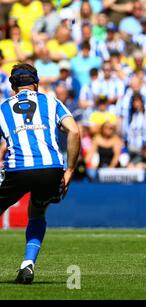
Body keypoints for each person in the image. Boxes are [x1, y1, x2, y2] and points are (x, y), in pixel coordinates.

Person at [0, 63, 80, 284]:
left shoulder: (3, 107)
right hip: (50, 169)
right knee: (37, 212)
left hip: (17, 169)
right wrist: (70, 169)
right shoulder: (52, 102)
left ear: (13, 87)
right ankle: (28, 263)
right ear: (35, 83)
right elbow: (74, 131)